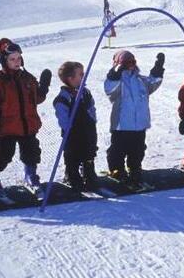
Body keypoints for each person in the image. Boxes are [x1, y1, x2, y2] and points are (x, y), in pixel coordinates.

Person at [0, 38, 51, 197]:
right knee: (4, 153)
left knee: (31, 151)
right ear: (4, 61)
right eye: (12, 59)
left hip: (28, 124)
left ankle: (30, 176)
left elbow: (36, 99)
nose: (16, 62)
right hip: (7, 126)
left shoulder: (27, 78)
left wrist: (43, 88)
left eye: (18, 58)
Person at [104, 50, 163, 186]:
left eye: (133, 62)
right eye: (126, 63)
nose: (130, 65)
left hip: (139, 124)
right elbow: (110, 90)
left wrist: (158, 69)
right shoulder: (117, 82)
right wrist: (115, 73)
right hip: (122, 125)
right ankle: (117, 169)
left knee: (138, 149)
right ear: (118, 64)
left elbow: (152, 83)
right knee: (118, 149)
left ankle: (134, 168)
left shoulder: (140, 79)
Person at [53, 61, 98, 192]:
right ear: (70, 78)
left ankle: (89, 173)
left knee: (89, 151)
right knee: (73, 154)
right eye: (81, 74)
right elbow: (61, 114)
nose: (84, 76)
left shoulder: (85, 92)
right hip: (73, 132)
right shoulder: (64, 97)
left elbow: (91, 107)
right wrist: (68, 128)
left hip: (88, 129)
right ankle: (72, 175)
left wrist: (92, 120)